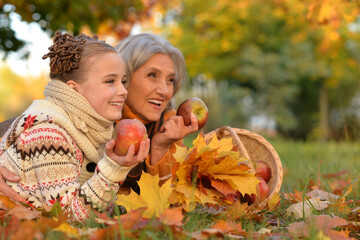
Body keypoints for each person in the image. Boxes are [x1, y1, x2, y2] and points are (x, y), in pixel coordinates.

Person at [0, 33, 198, 202]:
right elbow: (20, 135)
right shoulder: (86, 118)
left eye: (171, 80)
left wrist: (159, 150)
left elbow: (169, 203)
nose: (164, 90)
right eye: (152, 75)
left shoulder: (171, 126)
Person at [0, 31, 150, 222]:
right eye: (110, 81)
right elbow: (67, 217)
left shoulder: (87, 130)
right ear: (73, 89)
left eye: (123, 81)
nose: (123, 91)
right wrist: (113, 170)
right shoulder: (48, 135)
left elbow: (95, 206)